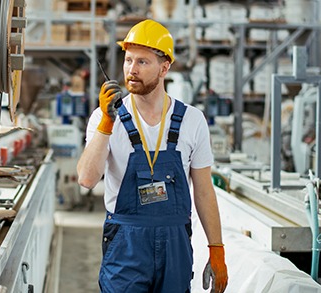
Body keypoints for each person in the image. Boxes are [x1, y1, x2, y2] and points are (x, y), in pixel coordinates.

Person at [77, 19, 228, 293]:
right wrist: (106, 126)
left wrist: (216, 248)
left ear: (164, 68)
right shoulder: (104, 117)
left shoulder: (192, 120)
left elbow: (204, 190)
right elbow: (87, 179)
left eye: (142, 62)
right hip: (126, 244)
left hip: (176, 244)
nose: (131, 70)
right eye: (128, 60)